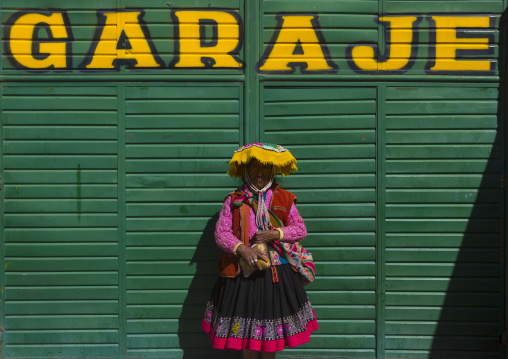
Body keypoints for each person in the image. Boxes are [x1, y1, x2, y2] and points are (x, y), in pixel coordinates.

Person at [202, 143, 318, 358]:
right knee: (247, 332)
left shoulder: (284, 198)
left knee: (271, 335)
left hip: (276, 275)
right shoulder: (233, 200)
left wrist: (275, 234)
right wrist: (242, 249)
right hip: (244, 275)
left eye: (265, 168)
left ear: (273, 172)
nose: (260, 173)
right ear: (246, 171)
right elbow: (221, 233)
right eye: (255, 168)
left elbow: (300, 229)